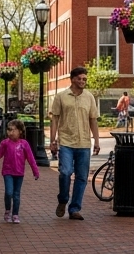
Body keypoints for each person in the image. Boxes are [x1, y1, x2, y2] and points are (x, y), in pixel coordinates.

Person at [50, 65, 101, 220]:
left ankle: (75, 208)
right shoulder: (61, 97)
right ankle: (63, 199)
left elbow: (93, 120)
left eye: (84, 79)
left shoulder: (89, 97)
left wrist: (96, 141)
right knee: (65, 172)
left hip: (84, 143)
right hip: (66, 142)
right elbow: (55, 119)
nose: (82, 81)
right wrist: (53, 140)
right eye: (79, 78)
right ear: (72, 79)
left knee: (82, 177)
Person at [0, 119, 41, 223]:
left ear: (20, 131)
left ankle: (15, 214)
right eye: (9, 130)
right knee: (9, 192)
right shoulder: (5, 143)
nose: (10, 132)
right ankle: (7, 210)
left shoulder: (24, 144)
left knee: (16, 194)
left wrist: (35, 171)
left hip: (19, 172)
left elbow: (31, 158)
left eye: (13, 130)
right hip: (8, 171)